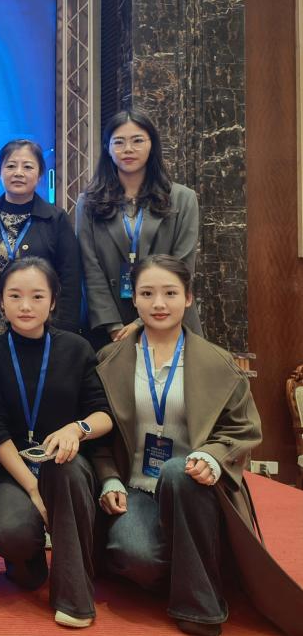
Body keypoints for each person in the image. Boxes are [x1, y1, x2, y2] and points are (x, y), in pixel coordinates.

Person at [95, 254, 303, 636]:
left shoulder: (218, 363)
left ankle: (201, 608)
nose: (159, 303)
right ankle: (198, 560)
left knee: (179, 469)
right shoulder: (109, 361)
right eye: (147, 293)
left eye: (170, 293)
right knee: (136, 558)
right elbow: (101, 436)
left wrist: (212, 455)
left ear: (188, 298)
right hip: (135, 486)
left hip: (196, 487)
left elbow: (243, 429)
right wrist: (109, 478)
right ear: (134, 300)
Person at [0, 256, 112, 628]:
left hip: (68, 468)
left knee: (65, 469)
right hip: (14, 470)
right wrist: (34, 489)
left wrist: (77, 429)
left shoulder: (76, 349)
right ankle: (31, 559)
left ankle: (74, 599)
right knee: (12, 535)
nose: (26, 306)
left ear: (53, 301)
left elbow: (103, 414)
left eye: (37, 296)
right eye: (15, 296)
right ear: (1, 301)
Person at [75, 111, 201, 348]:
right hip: (107, 325)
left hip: (168, 317)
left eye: (137, 140)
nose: (128, 149)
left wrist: (141, 322)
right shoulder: (88, 203)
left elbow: (183, 266)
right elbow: (89, 268)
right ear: (107, 148)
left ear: (152, 146)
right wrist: (114, 327)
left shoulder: (183, 199)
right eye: (119, 142)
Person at [0, 139, 82, 341]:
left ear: (40, 174)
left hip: (41, 329)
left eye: (27, 167)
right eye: (10, 166)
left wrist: (63, 336)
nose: (18, 173)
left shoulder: (56, 220)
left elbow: (70, 281)